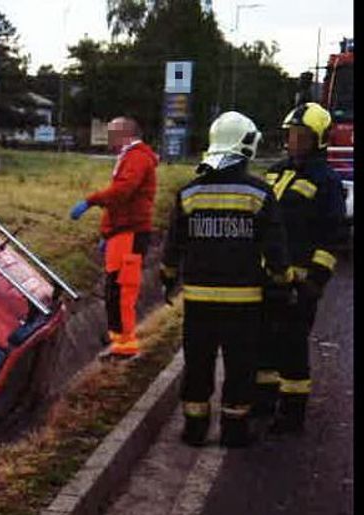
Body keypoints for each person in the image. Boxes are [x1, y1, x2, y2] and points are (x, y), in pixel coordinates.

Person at [159, 111, 289, 447]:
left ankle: (194, 428)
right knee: (240, 367)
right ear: (248, 146)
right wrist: (282, 279)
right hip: (244, 302)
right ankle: (234, 431)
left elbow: (174, 243)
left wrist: (168, 276)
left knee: (198, 364)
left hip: (199, 301)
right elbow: (275, 245)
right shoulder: (259, 193)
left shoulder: (189, 193)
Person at [254, 102, 346, 433]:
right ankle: (263, 402)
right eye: (291, 135)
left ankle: (292, 415)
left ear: (318, 139)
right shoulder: (275, 171)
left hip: (300, 282)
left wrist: (315, 282)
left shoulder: (327, 181)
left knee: (291, 347)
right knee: (262, 342)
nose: (293, 141)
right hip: (266, 277)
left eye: (302, 136)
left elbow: (333, 235)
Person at [70, 116, 158, 359]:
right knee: (115, 288)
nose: (108, 139)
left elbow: (122, 192)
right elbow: (123, 200)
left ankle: (125, 345)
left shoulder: (137, 158)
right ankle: (119, 342)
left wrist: (90, 201)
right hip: (122, 233)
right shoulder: (132, 157)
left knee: (122, 289)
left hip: (129, 233)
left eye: (111, 133)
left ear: (125, 134)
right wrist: (108, 233)